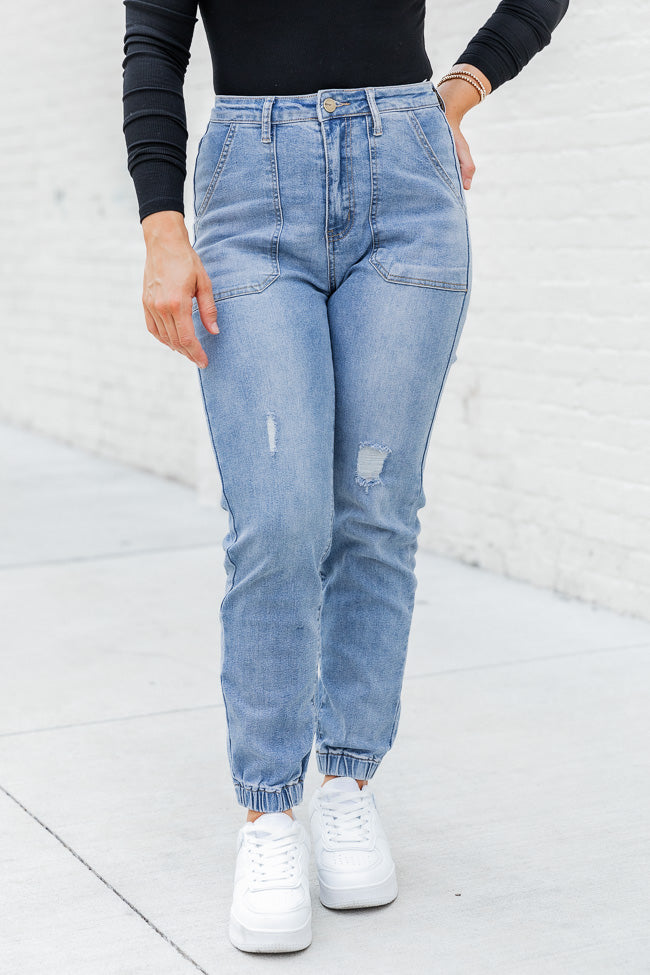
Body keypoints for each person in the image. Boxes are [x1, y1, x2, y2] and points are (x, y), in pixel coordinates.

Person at [122, 0, 570, 954]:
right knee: (278, 520)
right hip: (251, 191)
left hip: (406, 184)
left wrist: (464, 86)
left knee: (375, 510)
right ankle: (267, 813)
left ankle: (348, 784)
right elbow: (154, 44)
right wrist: (162, 227)